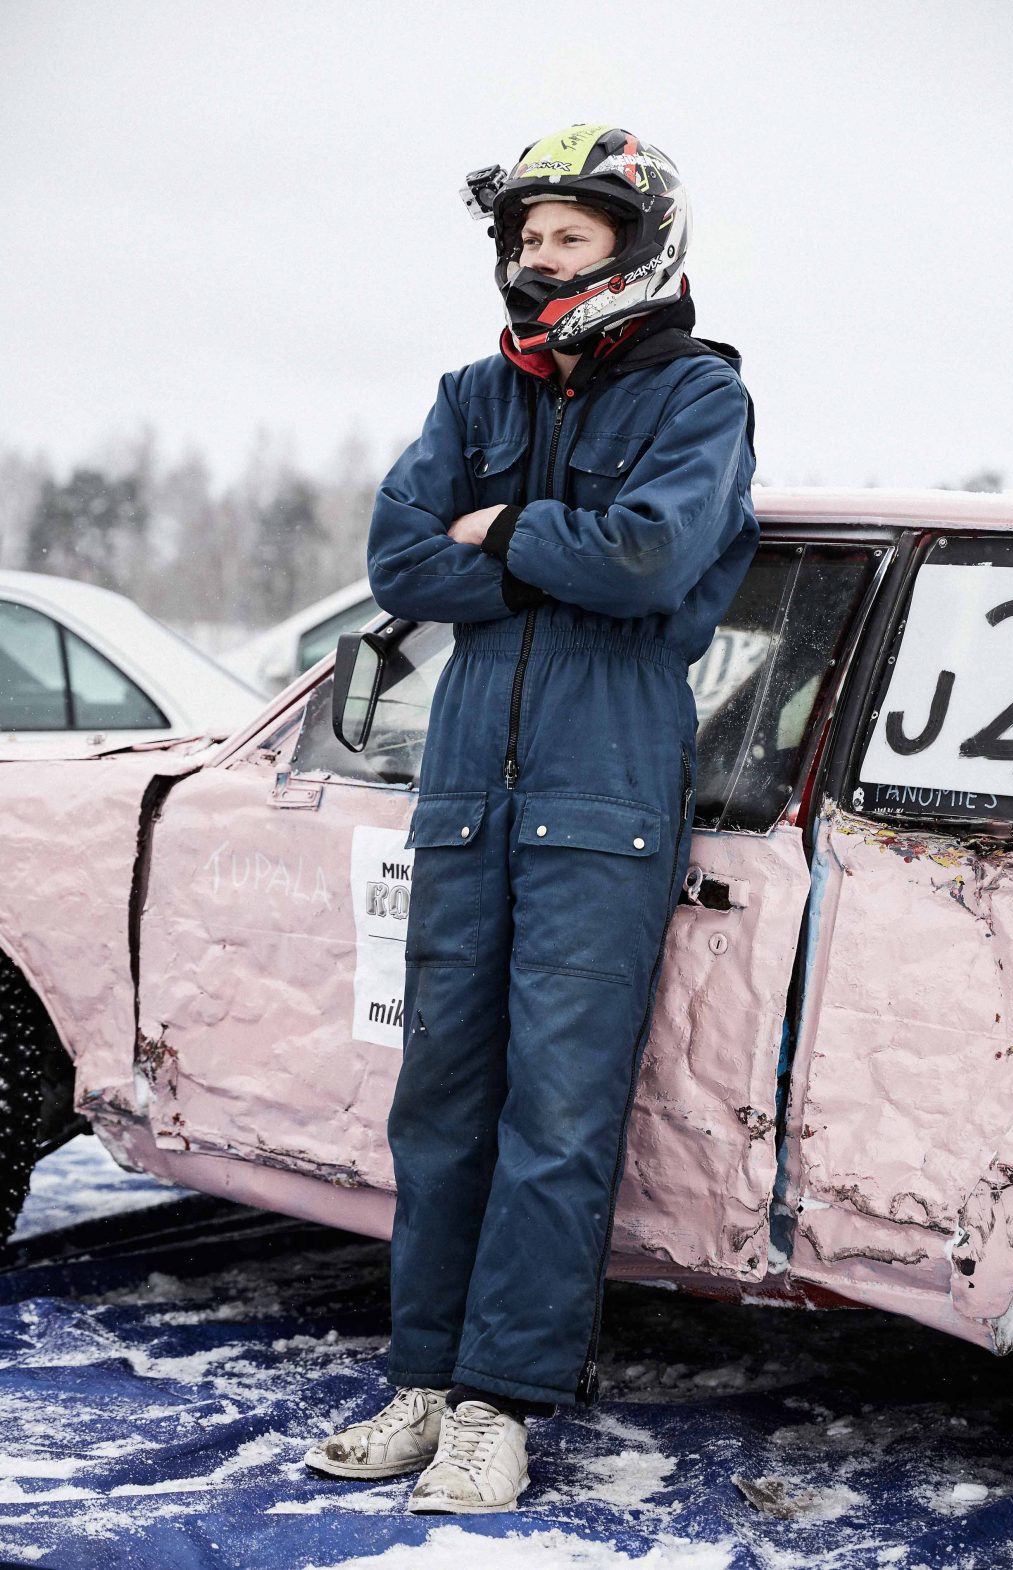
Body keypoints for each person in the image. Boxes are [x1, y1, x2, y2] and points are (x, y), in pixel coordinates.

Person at [305, 122, 759, 1513]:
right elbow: (394, 558)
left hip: (600, 803)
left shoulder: (697, 400)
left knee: (557, 1120)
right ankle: (427, 1383)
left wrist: (496, 532)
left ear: (634, 246)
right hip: (462, 802)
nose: (535, 258)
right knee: (438, 1109)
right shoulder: (469, 396)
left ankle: (501, 1404)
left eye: (566, 236)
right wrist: (518, 547)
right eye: (524, 237)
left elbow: (647, 561)